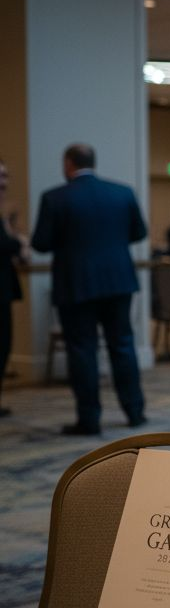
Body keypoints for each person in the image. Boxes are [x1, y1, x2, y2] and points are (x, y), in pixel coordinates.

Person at [30, 144, 148, 435]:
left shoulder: (55, 197)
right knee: (122, 346)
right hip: (118, 281)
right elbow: (140, 232)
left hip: (76, 284)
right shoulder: (122, 193)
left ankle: (89, 419)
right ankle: (134, 412)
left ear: (68, 163)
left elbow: (40, 243)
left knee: (83, 351)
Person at [1, 158, 27, 417]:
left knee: (4, 345)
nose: (4, 182)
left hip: (4, 288)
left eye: (5, 176)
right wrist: (17, 241)